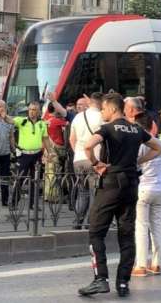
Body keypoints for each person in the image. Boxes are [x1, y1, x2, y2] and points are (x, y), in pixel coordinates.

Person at [78, 93, 161, 298]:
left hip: (110, 183)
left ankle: (101, 279)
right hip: (131, 183)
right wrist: (139, 161)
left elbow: (88, 145)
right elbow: (159, 147)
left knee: (96, 232)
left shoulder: (107, 128)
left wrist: (97, 164)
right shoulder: (136, 129)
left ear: (112, 108)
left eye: (104, 109)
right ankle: (123, 283)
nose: (102, 113)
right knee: (126, 234)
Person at [132, 115, 161, 277]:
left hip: (143, 188)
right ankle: (156, 264)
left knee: (141, 226)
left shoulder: (139, 144)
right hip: (160, 188)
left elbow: (135, 167)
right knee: (157, 226)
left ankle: (140, 265)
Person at [70, 92, 103, 229]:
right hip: (94, 159)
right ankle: (91, 222)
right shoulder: (101, 117)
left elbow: (72, 139)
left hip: (78, 159)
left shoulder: (78, 117)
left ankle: (78, 222)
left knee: (82, 192)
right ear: (100, 103)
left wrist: (78, 152)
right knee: (95, 192)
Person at [14, 101, 51, 209]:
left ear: (39, 111)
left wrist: (50, 152)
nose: (31, 112)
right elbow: (11, 120)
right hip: (24, 155)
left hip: (36, 155)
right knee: (19, 178)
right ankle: (14, 202)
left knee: (35, 180)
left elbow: (45, 139)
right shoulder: (22, 121)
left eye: (34, 110)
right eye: (30, 109)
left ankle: (33, 204)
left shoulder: (42, 123)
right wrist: (3, 115)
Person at [43, 104, 69, 202]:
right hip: (56, 149)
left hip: (47, 148)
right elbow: (68, 124)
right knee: (56, 172)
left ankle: (47, 195)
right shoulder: (58, 121)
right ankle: (55, 196)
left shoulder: (45, 120)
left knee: (48, 172)